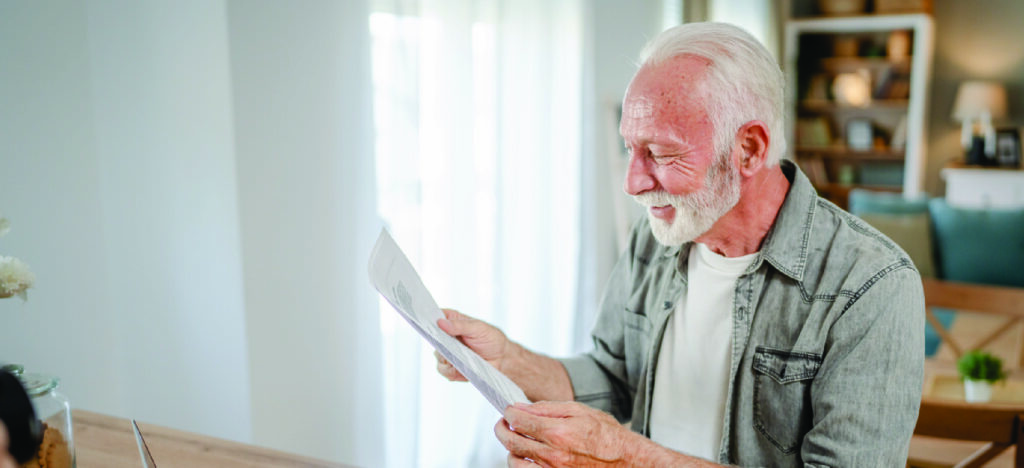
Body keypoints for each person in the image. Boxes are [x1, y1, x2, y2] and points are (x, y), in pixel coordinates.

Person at [436, 22, 924, 467]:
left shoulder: (871, 285)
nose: (632, 182)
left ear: (749, 149)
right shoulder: (659, 237)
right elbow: (612, 379)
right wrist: (505, 360)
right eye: (631, 147)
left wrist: (624, 456)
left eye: (661, 153)